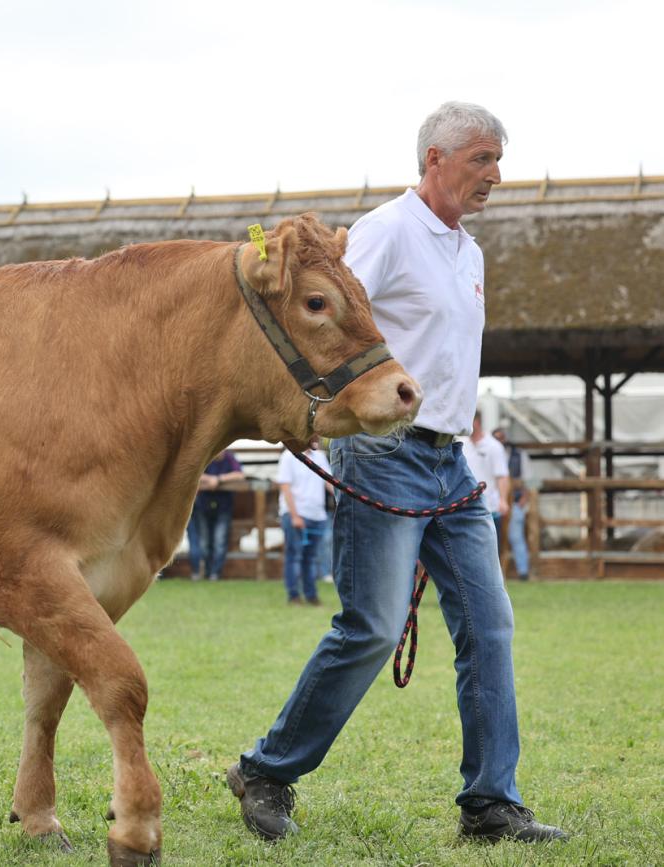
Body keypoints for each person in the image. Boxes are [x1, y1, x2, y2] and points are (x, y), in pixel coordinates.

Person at [228, 102, 567, 844]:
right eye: (482, 159)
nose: (495, 176)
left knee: (490, 624)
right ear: (435, 160)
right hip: (384, 453)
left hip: (454, 464)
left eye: (497, 160)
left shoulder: (468, 252)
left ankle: (491, 804)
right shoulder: (385, 232)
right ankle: (266, 769)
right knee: (374, 626)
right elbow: (319, 314)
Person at [276, 437, 332, 606]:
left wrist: (346, 494)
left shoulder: (320, 457)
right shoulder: (288, 456)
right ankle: (294, 595)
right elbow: (285, 487)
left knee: (311, 558)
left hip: (317, 515)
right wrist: (294, 516)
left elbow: (329, 482)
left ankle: (311, 595)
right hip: (297, 514)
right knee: (295, 557)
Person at [185, 449, 244, 580]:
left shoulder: (229, 458)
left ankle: (215, 573)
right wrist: (210, 479)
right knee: (204, 542)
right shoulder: (206, 456)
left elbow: (240, 474)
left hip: (223, 507)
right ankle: (206, 571)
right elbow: (194, 474)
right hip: (203, 506)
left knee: (219, 541)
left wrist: (219, 479)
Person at [462, 411, 511, 543]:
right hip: (465, 508)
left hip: (489, 508)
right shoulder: (462, 445)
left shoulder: (494, 446)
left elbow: (502, 476)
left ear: (476, 422)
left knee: (491, 549)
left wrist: (503, 500)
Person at [493, 428, 531, 581]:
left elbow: (528, 479)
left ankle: (523, 572)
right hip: (493, 503)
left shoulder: (519, 455)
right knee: (492, 539)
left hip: (514, 502)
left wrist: (523, 500)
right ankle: (495, 574)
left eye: (502, 438)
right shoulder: (490, 453)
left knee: (516, 537)